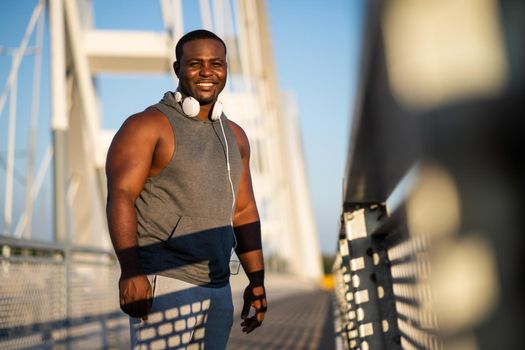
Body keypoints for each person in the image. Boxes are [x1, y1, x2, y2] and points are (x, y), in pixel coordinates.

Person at [105, 29, 267, 349]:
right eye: (195, 63)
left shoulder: (235, 135)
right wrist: (130, 271)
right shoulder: (147, 125)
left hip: (219, 288)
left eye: (216, 63)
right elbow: (121, 195)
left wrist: (257, 281)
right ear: (177, 69)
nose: (207, 72)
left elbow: (244, 210)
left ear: (225, 69)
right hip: (166, 283)